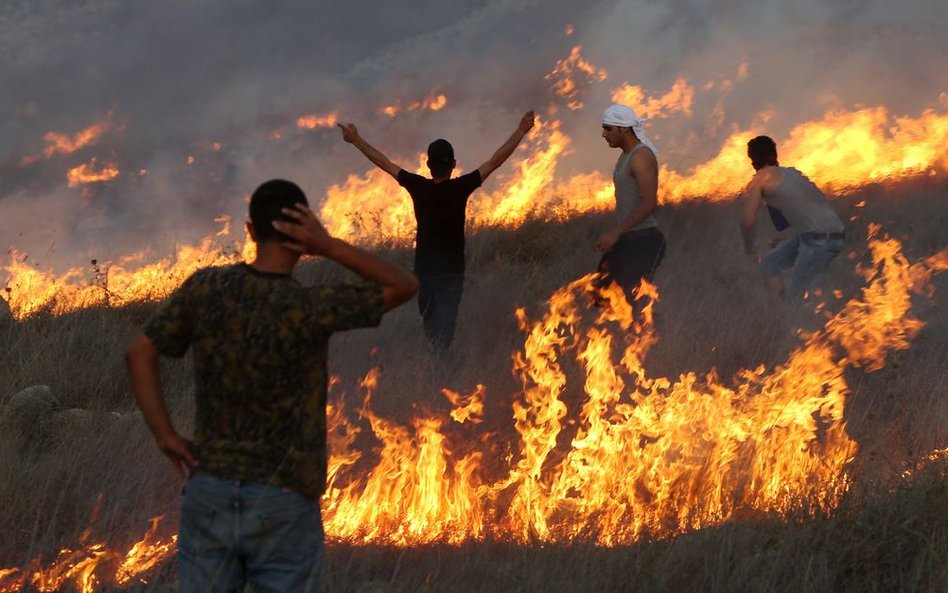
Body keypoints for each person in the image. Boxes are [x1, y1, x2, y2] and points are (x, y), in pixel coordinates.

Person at [125, 179, 417, 593]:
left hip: (210, 489)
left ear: (250, 230)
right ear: (302, 238)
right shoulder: (308, 306)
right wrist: (329, 245)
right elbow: (404, 285)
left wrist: (166, 436)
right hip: (284, 498)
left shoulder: (208, 289)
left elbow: (139, 353)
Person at [338, 110, 535, 349]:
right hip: (452, 273)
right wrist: (521, 131)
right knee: (446, 327)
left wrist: (356, 140)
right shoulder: (461, 187)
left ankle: (438, 364)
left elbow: (384, 162)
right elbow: (496, 161)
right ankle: (443, 364)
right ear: (453, 164)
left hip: (424, 274)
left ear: (428, 164)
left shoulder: (417, 186)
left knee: (431, 327)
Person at [739, 135, 845, 303]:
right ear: (775, 154)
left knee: (797, 301)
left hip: (817, 241)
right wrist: (787, 237)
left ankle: (791, 320)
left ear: (752, 160)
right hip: (832, 233)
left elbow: (747, 222)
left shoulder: (758, 182)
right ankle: (778, 315)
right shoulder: (793, 174)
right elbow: (811, 210)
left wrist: (749, 248)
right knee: (768, 264)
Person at [595, 104, 666, 308]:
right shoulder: (626, 155)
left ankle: (653, 337)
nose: (603, 134)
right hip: (628, 241)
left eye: (608, 128)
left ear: (624, 128)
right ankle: (616, 338)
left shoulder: (640, 156)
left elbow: (649, 202)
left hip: (644, 241)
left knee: (632, 303)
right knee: (602, 297)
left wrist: (616, 232)